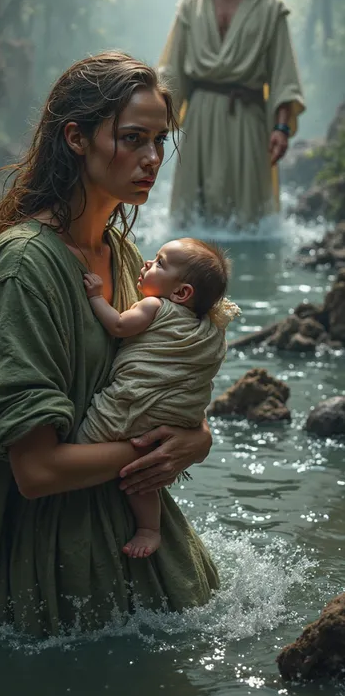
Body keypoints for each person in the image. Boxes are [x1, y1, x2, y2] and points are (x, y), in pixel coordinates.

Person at [0, 52, 219, 639]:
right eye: (132, 139)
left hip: (136, 556)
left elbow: (159, 382)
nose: (152, 159)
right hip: (59, 583)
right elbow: (38, 470)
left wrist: (197, 437)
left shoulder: (125, 258)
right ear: (76, 138)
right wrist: (162, 450)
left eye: (158, 141)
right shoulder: (26, 267)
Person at [80, 237, 240, 559]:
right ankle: (150, 529)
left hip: (134, 405)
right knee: (143, 478)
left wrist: (96, 297)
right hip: (171, 416)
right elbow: (197, 371)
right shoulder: (206, 328)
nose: (147, 265)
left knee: (86, 441)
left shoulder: (154, 306)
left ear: (181, 293)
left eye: (159, 263)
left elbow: (119, 325)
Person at [159, 0, 305, 228]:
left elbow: (283, 72)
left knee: (251, 219)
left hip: (248, 119)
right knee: (191, 223)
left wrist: (281, 129)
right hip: (200, 117)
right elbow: (171, 70)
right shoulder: (191, 1)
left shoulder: (268, 4)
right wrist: (153, 124)